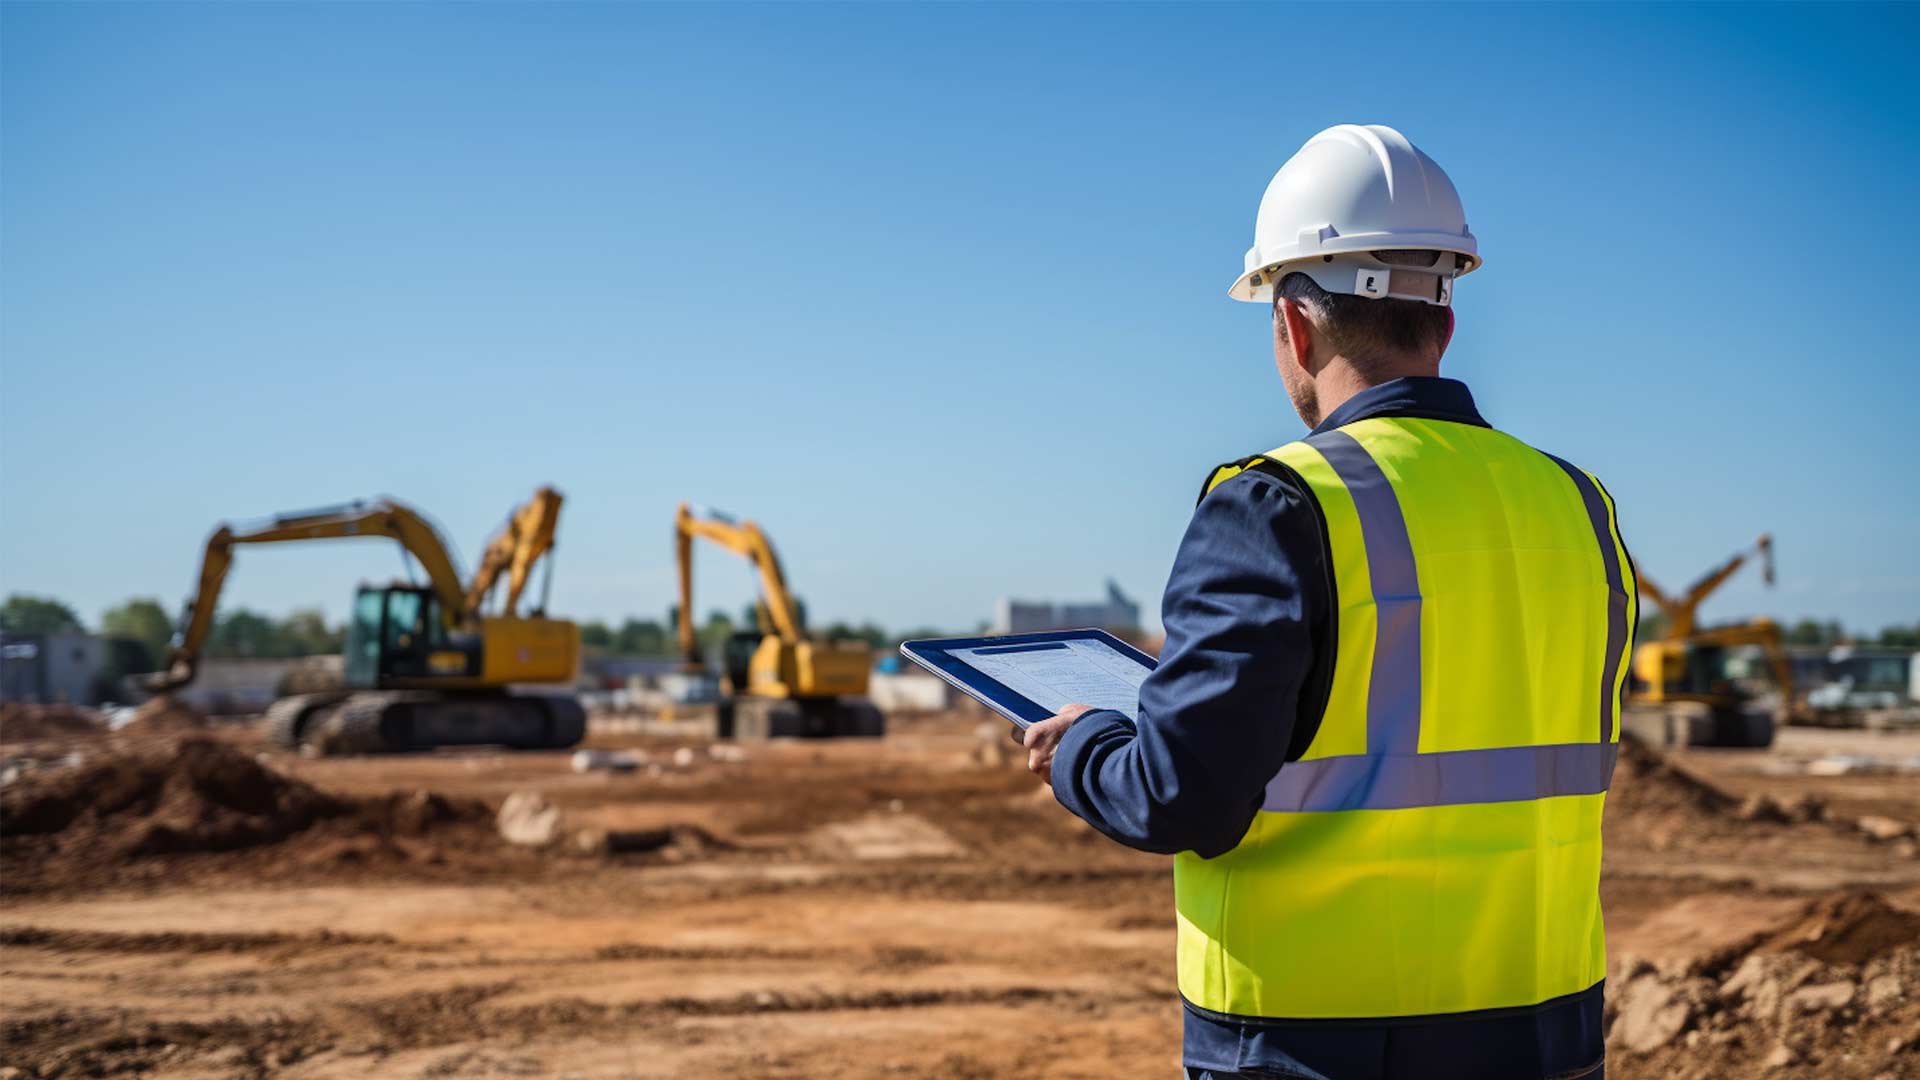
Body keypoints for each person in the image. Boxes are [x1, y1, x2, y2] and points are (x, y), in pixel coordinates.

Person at [1022, 124, 1632, 1080]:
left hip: (1318, 1042)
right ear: (1446, 321)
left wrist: (1083, 749)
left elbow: (1182, 794)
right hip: (1549, 1031)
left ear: (1295, 325)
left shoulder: (1277, 504)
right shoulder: (1579, 506)